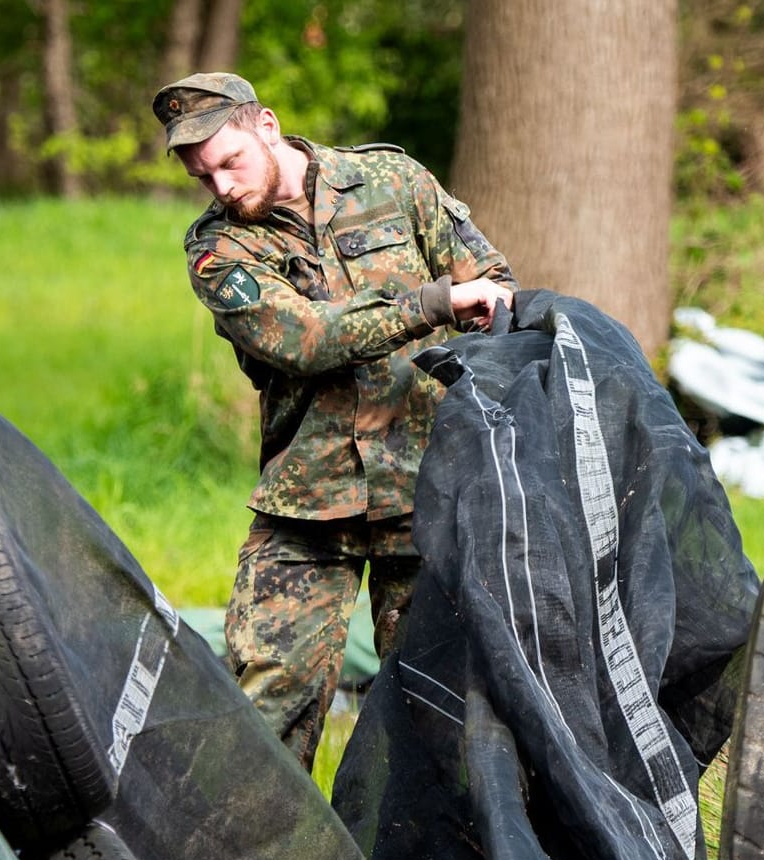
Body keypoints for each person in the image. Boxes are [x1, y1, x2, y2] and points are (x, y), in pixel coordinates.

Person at [151, 71, 518, 769]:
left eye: (230, 162)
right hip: (308, 507)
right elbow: (308, 340)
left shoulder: (392, 181)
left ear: (266, 126)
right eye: (205, 178)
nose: (223, 187)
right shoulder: (217, 250)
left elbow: (493, 284)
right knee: (263, 714)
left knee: (448, 714)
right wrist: (436, 301)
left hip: (429, 494)